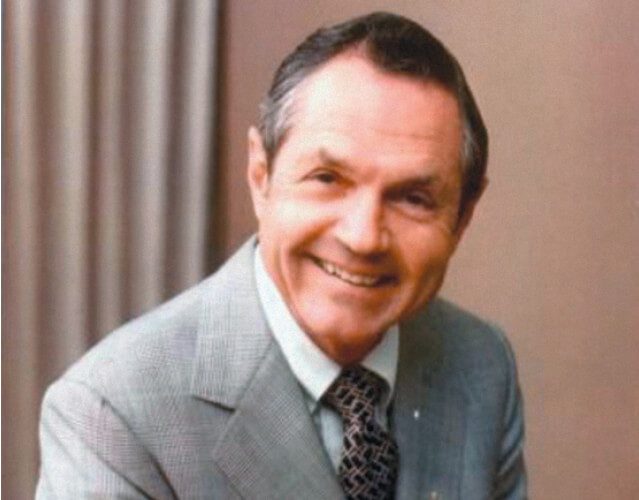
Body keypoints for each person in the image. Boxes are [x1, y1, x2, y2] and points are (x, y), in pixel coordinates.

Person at [36, 12, 526, 499]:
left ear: (463, 217)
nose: (363, 237)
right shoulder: (112, 415)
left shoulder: (480, 365)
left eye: (412, 198)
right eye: (327, 179)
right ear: (260, 176)